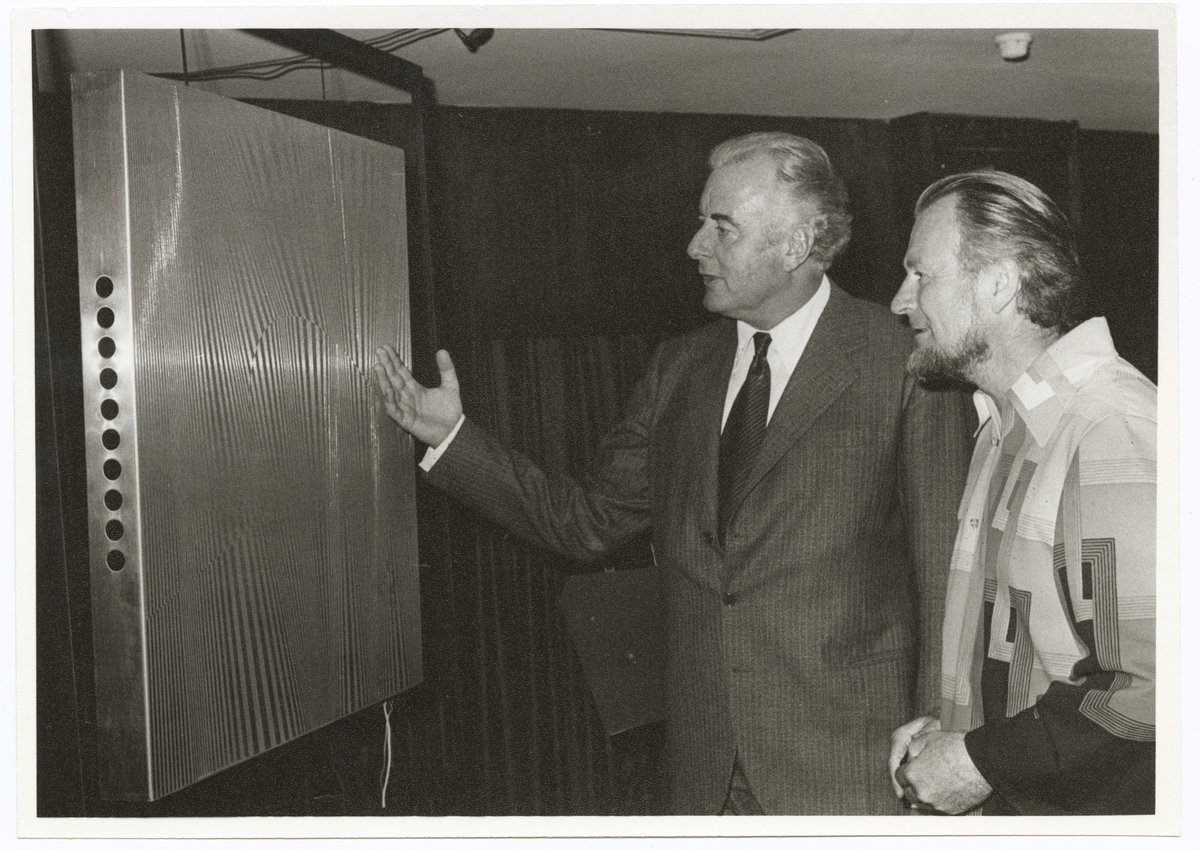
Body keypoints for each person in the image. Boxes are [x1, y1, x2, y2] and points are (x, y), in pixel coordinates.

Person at [375, 132, 973, 815]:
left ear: (798, 243)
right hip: (705, 772)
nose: (695, 247)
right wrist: (450, 437)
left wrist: (943, 744)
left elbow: (945, 578)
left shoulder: (902, 362)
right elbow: (588, 524)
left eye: (722, 227)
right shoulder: (678, 368)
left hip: (851, 768)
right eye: (701, 222)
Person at [887, 170, 1156, 815]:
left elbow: (1154, 684)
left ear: (999, 284)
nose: (900, 300)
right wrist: (958, 733)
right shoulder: (1005, 425)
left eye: (921, 274)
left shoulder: (1108, 426)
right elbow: (1026, 655)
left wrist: (981, 759)